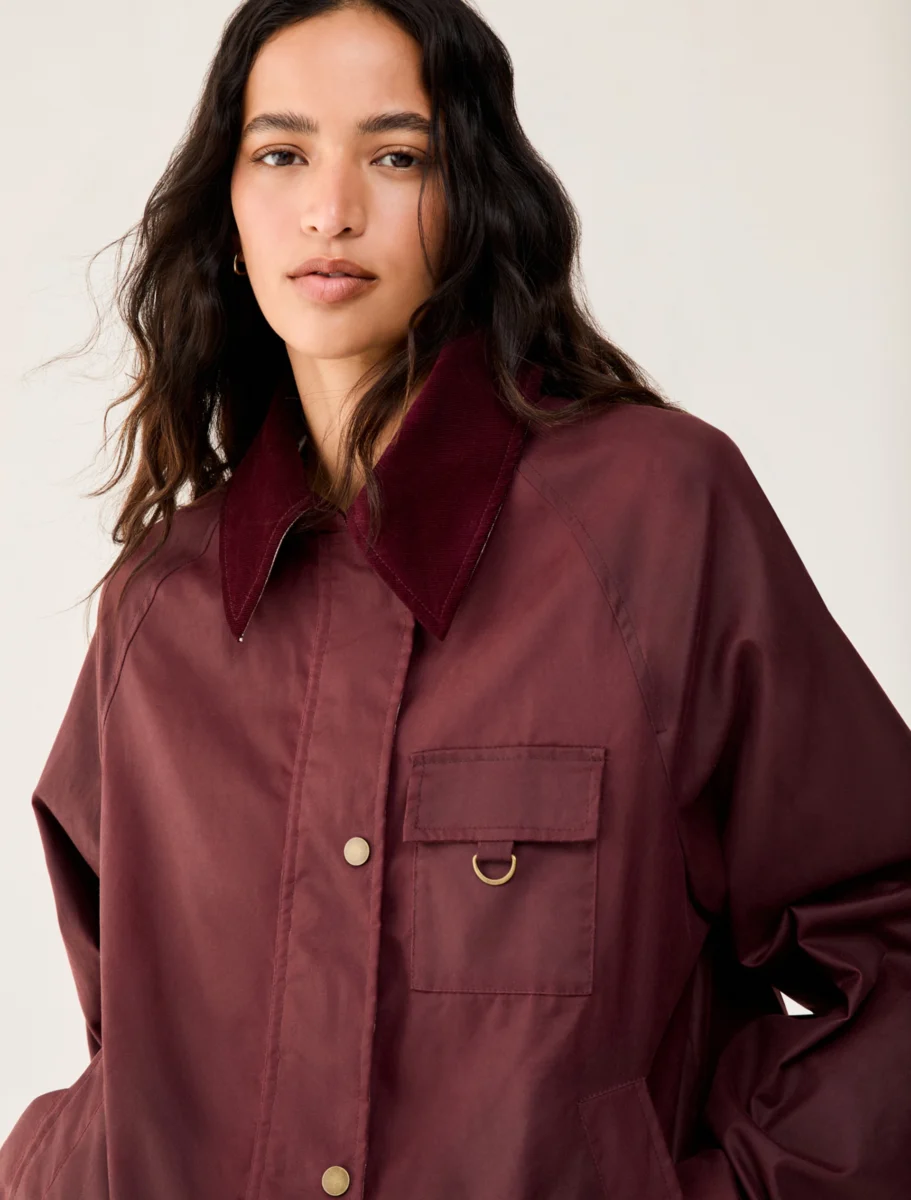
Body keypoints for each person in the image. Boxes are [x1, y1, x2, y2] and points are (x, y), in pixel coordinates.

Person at [2, 1, 910, 1197]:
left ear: (471, 203)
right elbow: (137, 1051)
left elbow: (886, 935)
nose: (330, 210)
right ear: (227, 214)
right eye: (280, 154)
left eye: (396, 156)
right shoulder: (158, 609)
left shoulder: (653, 519)